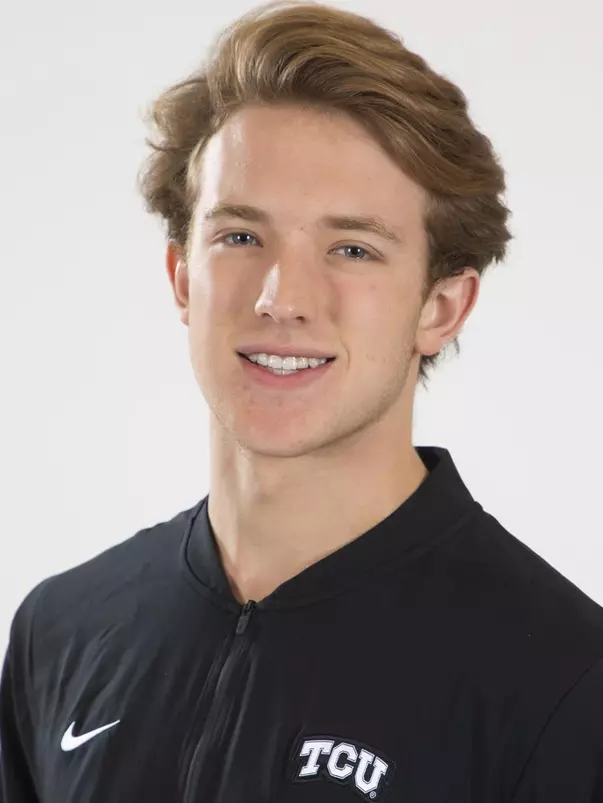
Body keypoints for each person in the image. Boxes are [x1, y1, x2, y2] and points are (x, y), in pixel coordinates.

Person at [2, 1, 602, 800]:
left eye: (351, 248)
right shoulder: (60, 632)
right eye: (240, 236)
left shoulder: (564, 683)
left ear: (440, 306)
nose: (281, 297)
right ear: (182, 276)